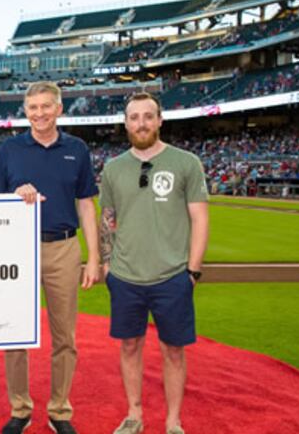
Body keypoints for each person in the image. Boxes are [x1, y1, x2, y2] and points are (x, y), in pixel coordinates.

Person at [0, 81, 100, 434]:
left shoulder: (77, 149)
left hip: (64, 247)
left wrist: (93, 256)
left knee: (65, 335)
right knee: (16, 333)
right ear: (25, 110)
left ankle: (59, 411)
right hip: (18, 248)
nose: (39, 114)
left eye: (46, 106)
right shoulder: (10, 149)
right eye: (33, 107)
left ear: (59, 109)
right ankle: (20, 409)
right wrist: (15, 195)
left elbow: (86, 204)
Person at [99, 92, 209, 434]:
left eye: (148, 116)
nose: (141, 123)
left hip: (172, 275)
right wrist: (106, 264)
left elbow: (200, 219)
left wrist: (192, 270)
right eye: (134, 117)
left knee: (173, 350)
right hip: (126, 276)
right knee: (129, 345)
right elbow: (108, 219)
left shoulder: (186, 163)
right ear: (126, 123)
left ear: (160, 120)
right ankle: (134, 415)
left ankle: (173, 421)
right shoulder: (113, 168)